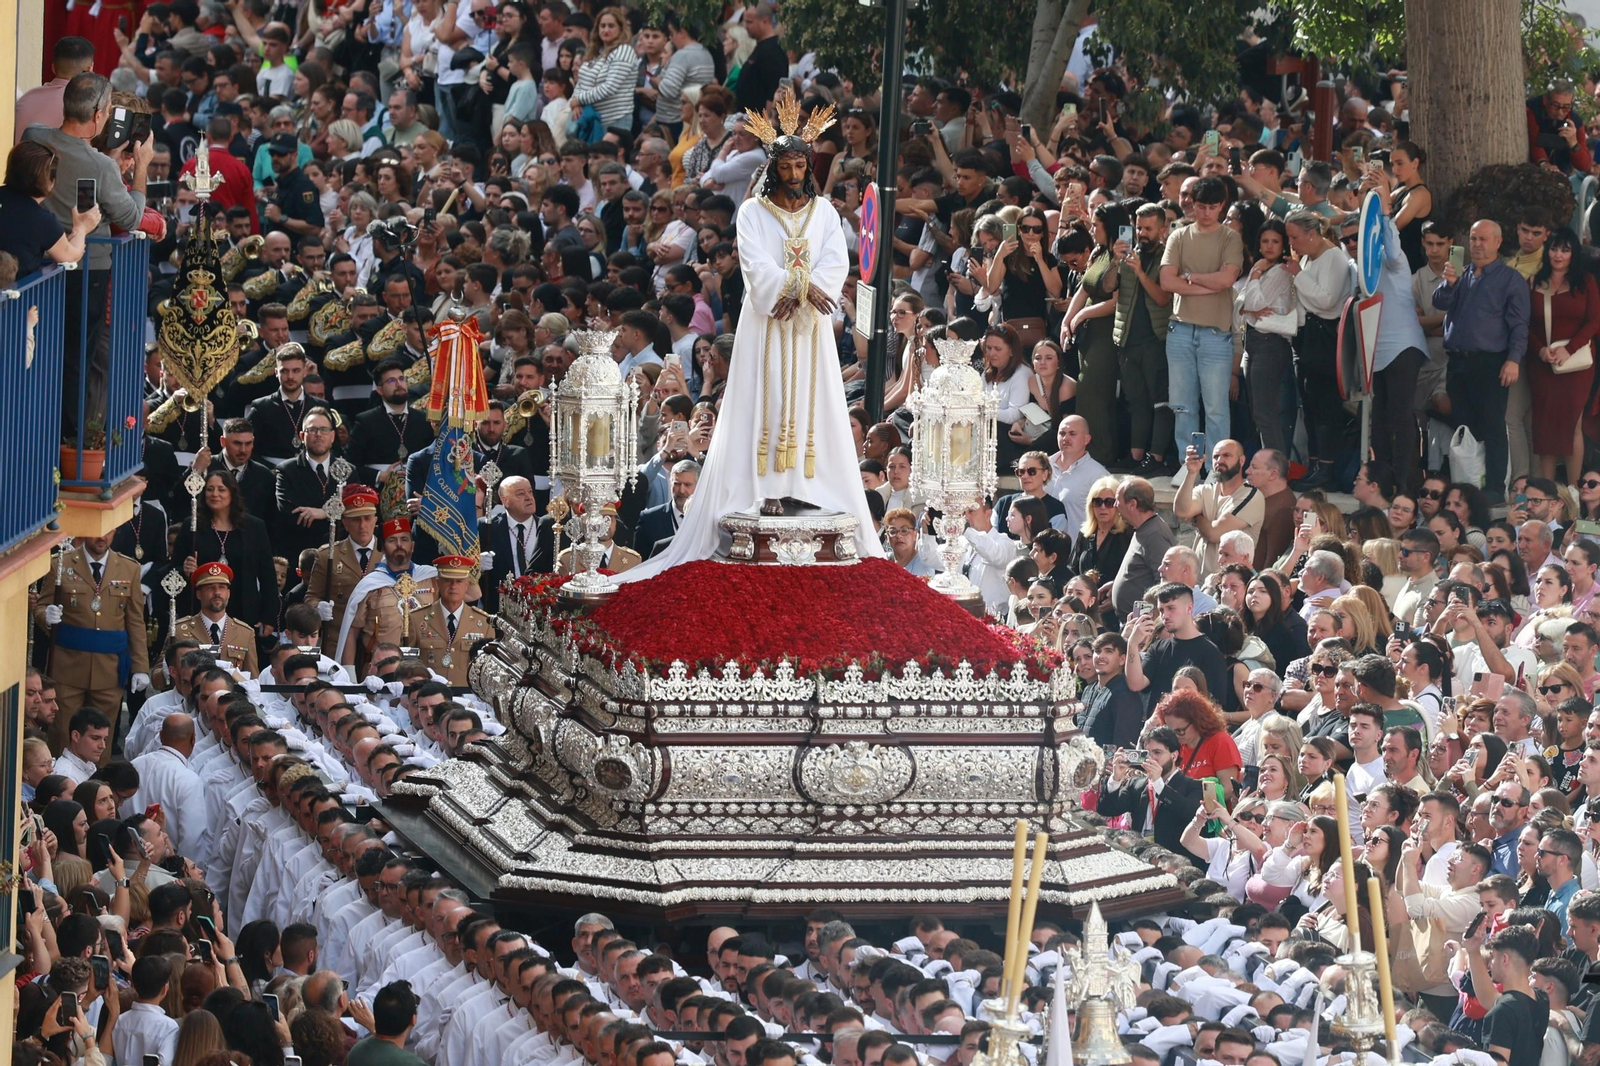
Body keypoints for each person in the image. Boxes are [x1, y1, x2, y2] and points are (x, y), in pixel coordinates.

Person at [620, 89, 882, 581]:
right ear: (773, 166)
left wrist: (805, 290)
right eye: (786, 165)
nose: (795, 174)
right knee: (769, 399)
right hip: (768, 324)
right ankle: (765, 487)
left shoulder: (824, 213)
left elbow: (835, 261)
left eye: (802, 165)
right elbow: (757, 265)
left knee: (811, 402)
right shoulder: (752, 213)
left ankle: (811, 485)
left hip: (808, 325)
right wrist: (792, 287)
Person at [1433, 220, 1531, 503]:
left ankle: (1495, 488)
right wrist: (1449, 283)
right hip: (1458, 361)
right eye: (1473, 238)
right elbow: (1440, 302)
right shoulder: (1462, 274)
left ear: (1498, 242)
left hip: (1491, 361)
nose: (1477, 244)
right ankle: (1468, 484)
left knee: (1492, 425)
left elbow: (1519, 325)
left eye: (1483, 239)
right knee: (1464, 424)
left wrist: (1513, 360)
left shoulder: (1510, 280)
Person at [33, 532, 151, 750]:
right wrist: (46, 616)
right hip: (67, 666)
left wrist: (141, 667)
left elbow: (135, 622)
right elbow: (41, 606)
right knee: (63, 731)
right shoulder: (61, 563)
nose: (102, 538)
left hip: (109, 669)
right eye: (97, 532)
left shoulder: (129, 568)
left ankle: (95, 781)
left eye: (108, 532)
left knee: (101, 734)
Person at [1160, 175, 1244, 472]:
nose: (1206, 212)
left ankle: (1219, 468)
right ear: (1192, 205)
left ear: (1222, 206)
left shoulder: (1230, 237)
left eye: (1212, 206)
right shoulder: (1178, 236)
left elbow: (1227, 279)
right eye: (1201, 206)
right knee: (1182, 406)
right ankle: (1190, 467)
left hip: (1216, 334)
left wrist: (1190, 277)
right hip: (1180, 329)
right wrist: (1210, 283)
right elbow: (1167, 281)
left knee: (1216, 409)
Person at [1285, 209, 1356, 490]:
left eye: (1295, 237)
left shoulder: (1334, 257)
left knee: (1324, 405)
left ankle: (1327, 467)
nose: (1291, 243)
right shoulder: (1306, 257)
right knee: (1311, 406)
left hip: (1325, 337)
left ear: (1312, 234)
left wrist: (1299, 275)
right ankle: (1314, 464)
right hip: (1306, 336)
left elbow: (1326, 300)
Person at [1526, 228, 1600, 484]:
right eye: (1554, 248)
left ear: (1573, 254)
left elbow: (1594, 321)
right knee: (1545, 429)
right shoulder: (1534, 282)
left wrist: (1569, 349)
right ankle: (1546, 492)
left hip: (1577, 364)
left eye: (1565, 250)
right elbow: (1524, 325)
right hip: (1542, 365)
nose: (1558, 255)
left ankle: (1573, 490)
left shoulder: (1586, 281)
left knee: (1572, 426)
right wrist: (1540, 350)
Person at [0, 139, 99, 277]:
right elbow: (70, 256)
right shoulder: (41, 219)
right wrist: (81, 228)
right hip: (15, 293)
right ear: (49, 180)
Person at [1097, 726, 1202, 853]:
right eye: (1146, 753)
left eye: (1157, 752)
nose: (1151, 758)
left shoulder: (1193, 786)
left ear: (1174, 756)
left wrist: (1159, 785)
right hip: (1140, 855)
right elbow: (1106, 809)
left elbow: (1188, 813)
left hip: (1173, 860)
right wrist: (1116, 778)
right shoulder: (1137, 784)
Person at [170, 562, 259, 677]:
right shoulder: (179, 631)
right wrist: (168, 670)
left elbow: (253, 679)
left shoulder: (245, 633)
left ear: (228, 593)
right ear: (199, 594)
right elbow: (157, 680)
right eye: (210, 588)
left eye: (222, 587)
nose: (217, 593)